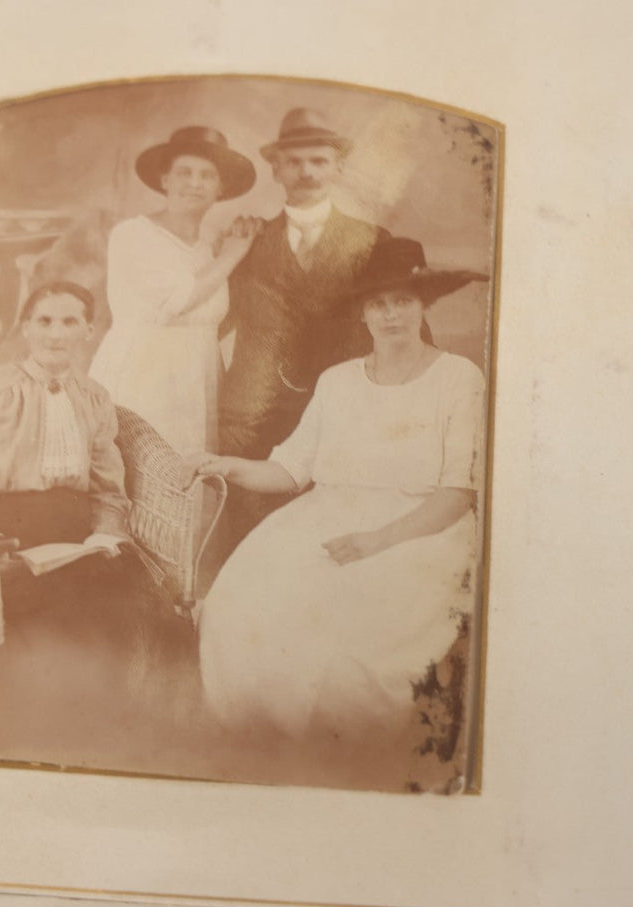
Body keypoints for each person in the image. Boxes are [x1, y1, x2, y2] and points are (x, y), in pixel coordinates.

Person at [195, 237, 489, 738]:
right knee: (241, 600)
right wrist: (226, 465)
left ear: (423, 306)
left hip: (420, 529)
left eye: (403, 301)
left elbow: (456, 494)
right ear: (362, 313)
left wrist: (375, 541)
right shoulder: (338, 381)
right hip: (324, 516)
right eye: (378, 303)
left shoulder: (458, 378)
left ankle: (339, 752)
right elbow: (291, 469)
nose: (391, 314)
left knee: (347, 623)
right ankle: (262, 740)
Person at [0, 281, 180, 656]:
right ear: (25, 327)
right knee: (40, 610)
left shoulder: (94, 397)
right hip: (3, 530)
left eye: (69, 322)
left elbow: (109, 489)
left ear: (88, 330)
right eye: (43, 321)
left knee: (123, 595)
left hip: (75, 531)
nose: (56, 334)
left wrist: (105, 536)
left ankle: (105, 703)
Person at [216, 107, 393, 542]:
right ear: (275, 169)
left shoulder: (373, 242)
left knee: (329, 543)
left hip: (341, 416)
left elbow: (401, 334)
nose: (307, 171)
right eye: (294, 161)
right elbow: (210, 323)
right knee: (249, 546)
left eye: (319, 161)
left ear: (338, 169)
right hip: (253, 419)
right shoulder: (244, 241)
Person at [89, 126, 259, 456]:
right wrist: (235, 253)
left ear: (221, 188)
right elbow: (180, 300)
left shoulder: (212, 242)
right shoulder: (134, 235)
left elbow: (216, 316)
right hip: (144, 373)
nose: (194, 183)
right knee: (146, 477)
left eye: (207, 175)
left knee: (194, 479)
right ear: (165, 180)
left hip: (199, 377)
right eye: (184, 172)